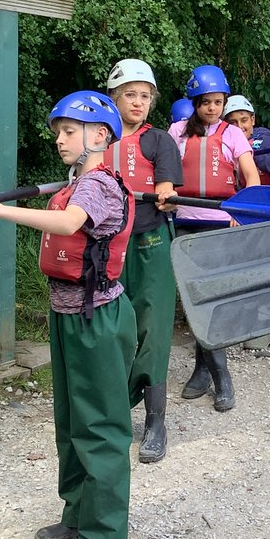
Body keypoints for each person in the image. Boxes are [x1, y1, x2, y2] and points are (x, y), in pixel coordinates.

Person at [0, 92, 136, 539]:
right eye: (57, 130)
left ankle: (106, 536)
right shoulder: (75, 181)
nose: (59, 138)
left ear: (100, 135)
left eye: (69, 130)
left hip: (98, 320)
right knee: (70, 422)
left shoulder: (98, 185)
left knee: (100, 426)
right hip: (67, 315)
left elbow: (68, 223)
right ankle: (78, 515)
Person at [103, 59, 184, 464]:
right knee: (112, 326)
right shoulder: (98, 139)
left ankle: (155, 422)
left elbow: (166, 184)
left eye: (145, 96)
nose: (138, 102)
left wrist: (165, 193)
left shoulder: (159, 141)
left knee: (152, 328)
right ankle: (113, 406)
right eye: (129, 95)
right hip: (106, 245)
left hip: (150, 241)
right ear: (114, 99)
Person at [169, 65, 259, 411]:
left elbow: (251, 177)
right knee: (195, 300)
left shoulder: (233, 134)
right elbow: (163, 173)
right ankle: (202, 371)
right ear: (194, 102)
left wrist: (241, 212)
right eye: (205, 102)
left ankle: (219, 375)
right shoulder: (177, 131)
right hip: (183, 222)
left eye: (218, 102)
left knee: (211, 300)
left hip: (220, 223)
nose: (212, 108)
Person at [223, 93, 270, 353]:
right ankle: (239, 325)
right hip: (237, 214)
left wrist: (253, 154)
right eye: (233, 122)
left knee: (266, 272)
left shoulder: (268, 140)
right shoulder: (223, 142)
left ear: (252, 119)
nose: (240, 126)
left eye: (244, 120)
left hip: (267, 212)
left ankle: (261, 333)